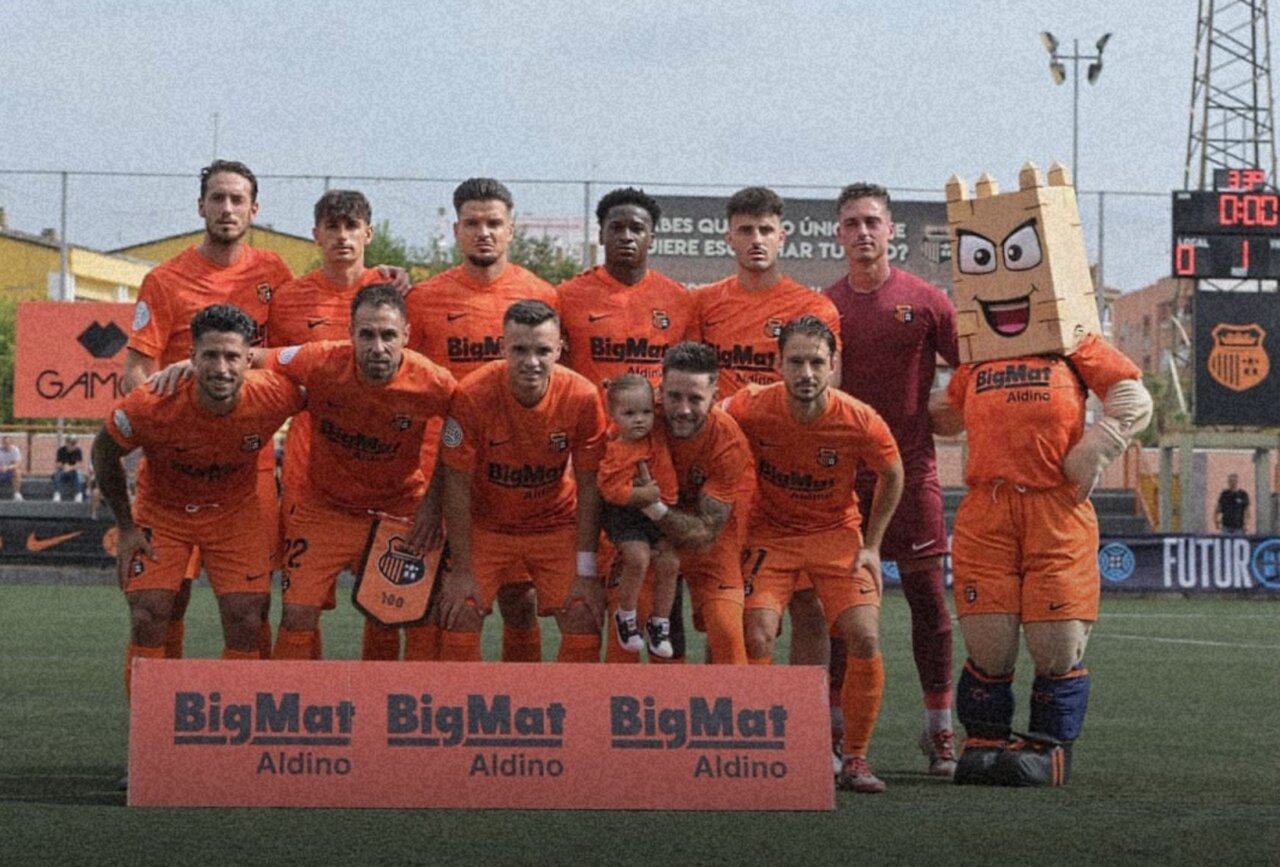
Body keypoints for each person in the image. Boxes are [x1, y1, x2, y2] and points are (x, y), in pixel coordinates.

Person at [933, 162, 1152, 786]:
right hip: (987, 510)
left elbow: (1134, 399)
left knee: (1056, 643)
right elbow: (947, 417)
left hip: (1055, 509)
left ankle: (1048, 747)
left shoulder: (1075, 344)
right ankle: (984, 741)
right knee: (989, 641)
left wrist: (1096, 448)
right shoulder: (979, 355)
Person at [724, 316, 904, 793]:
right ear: (778, 364)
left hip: (836, 535)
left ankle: (857, 758)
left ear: (833, 365)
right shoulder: (749, 405)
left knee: (863, 636)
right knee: (758, 633)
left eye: (817, 363)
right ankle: (766, 747)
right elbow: (708, 423)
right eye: (796, 362)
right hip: (772, 536)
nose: (806, 372)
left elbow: (893, 473)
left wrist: (872, 544)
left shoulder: (859, 418)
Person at [124, 159, 294, 661]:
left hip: (249, 465)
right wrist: (157, 417)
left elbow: (291, 358)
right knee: (163, 604)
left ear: (254, 210)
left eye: (237, 199)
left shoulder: (274, 273)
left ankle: (246, 727)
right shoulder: (165, 279)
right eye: (217, 198)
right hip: (177, 465)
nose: (226, 208)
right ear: (200, 205)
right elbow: (136, 370)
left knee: (251, 611)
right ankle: (158, 728)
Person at [92, 304, 303, 701]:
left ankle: (237, 736)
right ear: (191, 357)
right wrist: (126, 526)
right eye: (210, 356)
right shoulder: (152, 402)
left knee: (245, 618)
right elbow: (103, 453)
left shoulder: (275, 394)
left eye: (232, 357)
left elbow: (332, 386)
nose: (221, 368)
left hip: (234, 515)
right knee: (147, 615)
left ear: (249, 360)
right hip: (163, 513)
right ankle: (151, 742)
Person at [823, 182, 961, 777]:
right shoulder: (824, 307)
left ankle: (939, 731)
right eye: (851, 222)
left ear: (891, 230)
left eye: (872, 221)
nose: (863, 232)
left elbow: (972, 370)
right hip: (840, 481)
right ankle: (833, 733)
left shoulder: (928, 301)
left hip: (912, 472)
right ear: (838, 233)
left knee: (929, 603)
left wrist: (945, 412)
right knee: (842, 611)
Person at [405, 177, 560, 663]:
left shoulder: (542, 295)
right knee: (427, 600)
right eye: (472, 223)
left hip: (515, 476)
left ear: (512, 229)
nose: (484, 232)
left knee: (520, 600)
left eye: (494, 223)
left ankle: (526, 708)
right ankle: (427, 708)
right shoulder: (424, 297)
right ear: (456, 230)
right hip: (441, 471)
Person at [263, 284, 456, 659]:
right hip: (327, 508)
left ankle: (414, 707)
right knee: (297, 612)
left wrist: (433, 504)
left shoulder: (434, 383)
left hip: (399, 507)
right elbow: (255, 358)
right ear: (350, 333)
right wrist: (189, 366)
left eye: (388, 335)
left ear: (406, 336)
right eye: (366, 334)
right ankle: (292, 708)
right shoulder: (319, 359)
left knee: (412, 613)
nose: (377, 346)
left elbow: (462, 430)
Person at [695, 186, 843, 674]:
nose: (756, 239)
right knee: (721, 609)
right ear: (728, 238)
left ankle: (814, 731)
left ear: (784, 235)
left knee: (809, 608)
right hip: (725, 479)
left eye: (765, 230)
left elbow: (825, 397)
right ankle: (722, 719)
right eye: (745, 230)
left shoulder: (812, 309)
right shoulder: (706, 305)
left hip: (789, 478)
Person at [556, 186, 697, 662]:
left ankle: (657, 716)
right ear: (600, 234)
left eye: (637, 228)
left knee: (653, 588)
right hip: (588, 472)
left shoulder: (678, 301)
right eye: (616, 227)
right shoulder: (568, 297)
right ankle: (576, 719)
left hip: (652, 469)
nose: (626, 236)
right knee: (582, 601)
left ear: (653, 237)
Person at [266, 189, 406, 660]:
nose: (342, 237)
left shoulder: (394, 293)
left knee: (384, 604)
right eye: (333, 227)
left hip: (385, 477)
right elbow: (272, 377)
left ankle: (382, 710)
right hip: (312, 477)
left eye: (352, 227)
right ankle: (303, 709)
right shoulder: (289, 300)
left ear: (368, 232)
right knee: (302, 605)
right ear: (316, 234)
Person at [435, 300, 607, 663]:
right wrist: (462, 570)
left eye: (543, 350)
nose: (532, 362)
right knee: (459, 611)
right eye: (520, 350)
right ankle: (464, 712)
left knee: (584, 614)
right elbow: (456, 485)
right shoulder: (472, 395)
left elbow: (591, 487)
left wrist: (587, 571)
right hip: (487, 526)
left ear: (559, 349)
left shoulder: (583, 396)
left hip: (555, 524)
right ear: (501, 348)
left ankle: (569, 713)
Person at [630, 341, 753, 666]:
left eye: (695, 398)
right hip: (647, 538)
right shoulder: (638, 423)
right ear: (660, 390)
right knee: (630, 624)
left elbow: (704, 534)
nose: (683, 409)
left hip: (712, 543)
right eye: (674, 396)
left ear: (714, 396)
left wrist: (655, 508)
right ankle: (650, 709)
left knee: (727, 630)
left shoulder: (729, 442)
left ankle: (739, 711)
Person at [597, 374, 679, 658]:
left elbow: (665, 405)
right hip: (627, 515)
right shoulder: (617, 450)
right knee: (638, 558)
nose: (640, 419)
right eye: (629, 413)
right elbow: (610, 490)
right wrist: (641, 496)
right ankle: (626, 615)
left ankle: (660, 622)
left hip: (659, 512)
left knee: (670, 562)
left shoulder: (657, 432)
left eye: (645, 412)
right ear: (613, 414)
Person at [53, 434, 87, 502]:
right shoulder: (61, 450)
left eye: (74, 443)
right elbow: (57, 464)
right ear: (67, 443)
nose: (73, 445)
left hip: (73, 472)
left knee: (79, 474)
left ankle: (78, 493)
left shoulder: (78, 451)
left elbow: (79, 464)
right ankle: (57, 493)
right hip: (63, 471)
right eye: (71, 443)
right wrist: (64, 466)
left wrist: (70, 468)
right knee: (57, 474)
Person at [0, 434, 24, 500]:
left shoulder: (15, 450)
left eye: (8, 443)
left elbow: (18, 463)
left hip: (9, 471)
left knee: (17, 471)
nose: (6, 445)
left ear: (11, 443)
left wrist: (8, 467)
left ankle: (17, 493)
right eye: (4, 443)